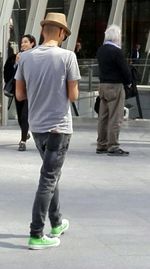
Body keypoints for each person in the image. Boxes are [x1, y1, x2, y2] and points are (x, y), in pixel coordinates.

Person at [15, 12, 81, 250]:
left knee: (51, 174)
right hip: (59, 128)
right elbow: (73, 95)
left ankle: (56, 222)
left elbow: (20, 94)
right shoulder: (68, 57)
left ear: (43, 31)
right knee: (48, 178)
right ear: (62, 33)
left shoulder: (26, 57)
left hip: (37, 127)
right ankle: (36, 233)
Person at [96, 24, 132, 156]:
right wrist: (128, 82)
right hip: (115, 86)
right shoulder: (117, 51)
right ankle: (113, 145)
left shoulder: (101, 50)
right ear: (117, 37)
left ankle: (101, 144)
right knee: (115, 117)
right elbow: (125, 70)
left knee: (103, 117)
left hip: (103, 85)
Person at [4, 34, 36, 151]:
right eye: (22, 42)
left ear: (32, 43)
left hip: (31, 91)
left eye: (26, 42)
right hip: (19, 90)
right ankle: (25, 132)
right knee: (20, 117)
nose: (23, 44)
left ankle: (22, 141)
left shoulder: (36, 57)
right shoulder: (15, 57)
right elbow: (8, 74)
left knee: (24, 116)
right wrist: (16, 64)